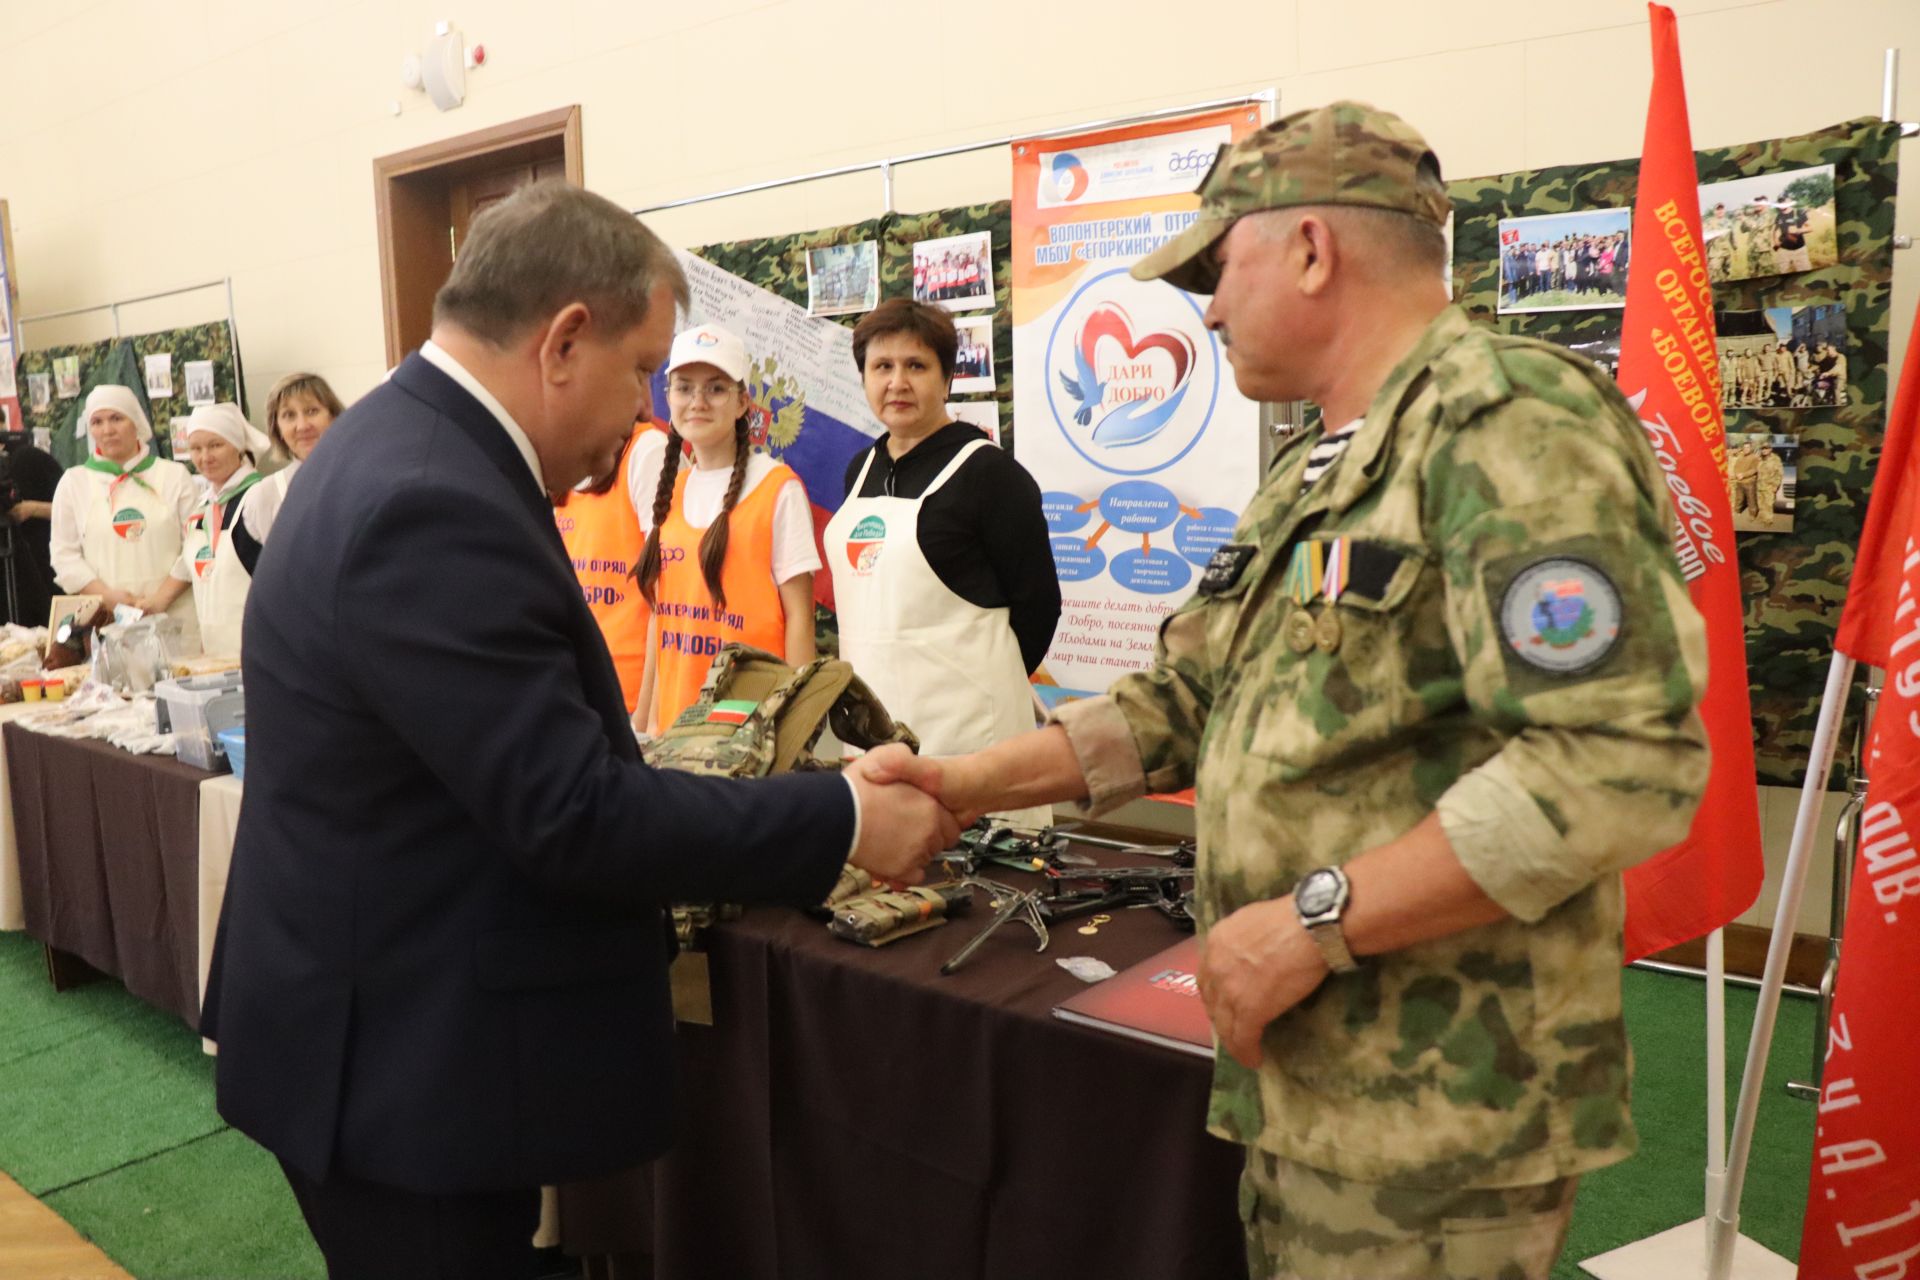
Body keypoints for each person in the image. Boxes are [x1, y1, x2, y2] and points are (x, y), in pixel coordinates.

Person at [869, 102, 1711, 1279]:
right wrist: (959, 782)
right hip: (1316, 1086)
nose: (1206, 307)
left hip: (1436, 1110)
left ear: (1312, 250)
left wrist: (1319, 921)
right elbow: (1181, 701)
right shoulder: (1311, 473)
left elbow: (1619, 760)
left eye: (1221, 266)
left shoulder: (1507, 422)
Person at [199, 182, 956, 1280]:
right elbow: (571, 811)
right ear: (564, 341)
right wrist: (840, 812)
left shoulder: (399, 440)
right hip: (402, 1068)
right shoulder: (432, 498)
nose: (646, 410)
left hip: (385, 1023)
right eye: (643, 369)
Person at [826, 298, 1060, 828]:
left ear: (947, 378)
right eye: (882, 367)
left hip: (972, 742)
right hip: (874, 742)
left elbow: (1038, 604)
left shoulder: (991, 475)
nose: (897, 383)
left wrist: (980, 683)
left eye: (916, 366)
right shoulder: (859, 471)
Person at [633, 323, 819, 733]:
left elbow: (801, 620)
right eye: (684, 388)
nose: (697, 401)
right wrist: (644, 726)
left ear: (742, 403)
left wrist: (794, 733)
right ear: (668, 399)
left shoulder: (777, 488)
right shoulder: (669, 493)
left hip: (748, 736)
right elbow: (657, 621)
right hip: (674, 735)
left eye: (716, 388)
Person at [49, 384, 201, 647]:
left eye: (117, 418)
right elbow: (64, 556)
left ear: (137, 424)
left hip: (176, 621)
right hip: (109, 624)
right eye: (97, 421)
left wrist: (160, 600)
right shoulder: (74, 483)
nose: (107, 430)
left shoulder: (174, 476)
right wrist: (108, 596)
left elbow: (197, 545)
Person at [554, 416, 668, 714]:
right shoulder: (558, 450)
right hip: (569, 692)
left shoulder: (647, 450)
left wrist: (644, 721)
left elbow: (667, 600)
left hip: (625, 700)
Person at [171, 403, 273, 659]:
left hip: (259, 649)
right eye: (196, 448)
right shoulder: (202, 507)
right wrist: (145, 606)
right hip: (215, 653)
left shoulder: (260, 496)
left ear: (238, 446)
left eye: (215, 445)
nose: (205, 457)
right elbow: (186, 568)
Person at [230, 371, 345, 575]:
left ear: (334, 417)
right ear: (277, 429)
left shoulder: (362, 479)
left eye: (311, 411)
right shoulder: (264, 496)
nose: (302, 426)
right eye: (289, 415)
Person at [0, 428, 63, 628]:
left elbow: (78, 512)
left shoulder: (28, 460)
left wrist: (32, 508)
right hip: (18, 588)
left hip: (48, 574)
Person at [1756, 442, 1785, 527]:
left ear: (1770, 449)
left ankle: (1768, 521)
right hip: (1759, 485)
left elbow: (1780, 474)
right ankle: (1762, 519)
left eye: (1766, 448)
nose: (1764, 450)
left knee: (1768, 504)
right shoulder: (1760, 458)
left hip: (1769, 486)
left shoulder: (1775, 459)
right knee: (1761, 504)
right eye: (1763, 448)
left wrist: (1776, 485)